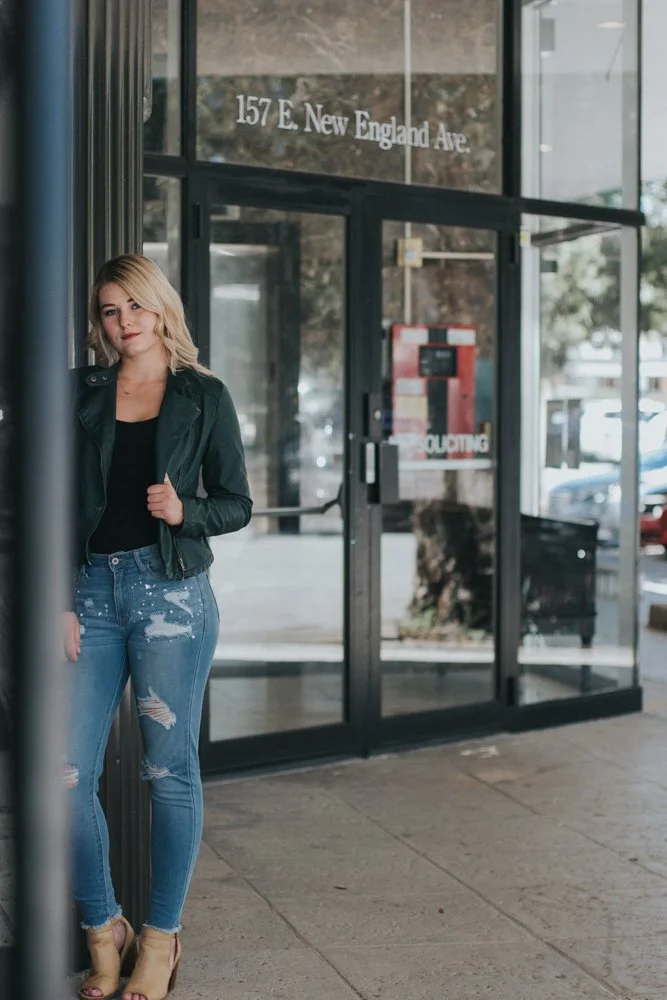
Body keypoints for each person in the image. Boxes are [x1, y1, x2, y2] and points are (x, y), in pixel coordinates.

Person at [64, 253, 252, 1000]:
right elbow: (45, 492)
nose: (124, 322)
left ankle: (161, 937)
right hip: (90, 593)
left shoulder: (203, 397)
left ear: (160, 307)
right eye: (110, 311)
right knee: (65, 776)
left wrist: (186, 512)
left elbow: (236, 502)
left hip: (169, 592)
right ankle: (102, 925)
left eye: (134, 306)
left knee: (167, 773)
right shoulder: (80, 393)